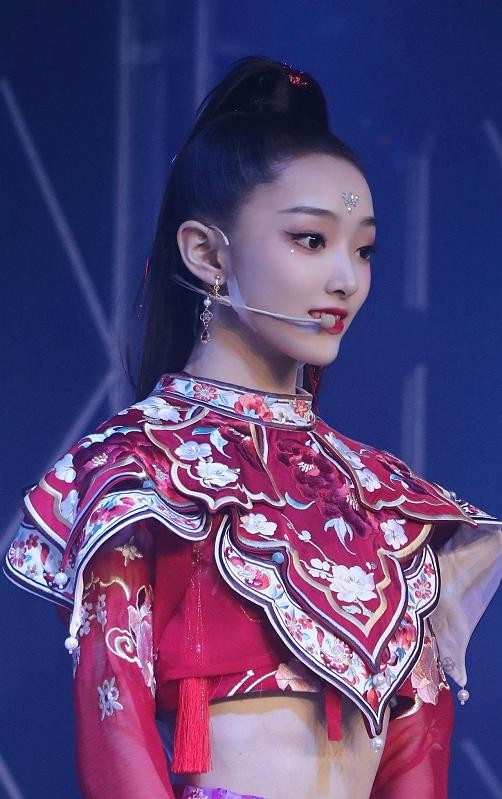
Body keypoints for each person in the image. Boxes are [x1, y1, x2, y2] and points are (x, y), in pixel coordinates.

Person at [5, 56, 502, 799]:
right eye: (311, 240)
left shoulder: (389, 500)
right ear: (207, 254)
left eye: (363, 248)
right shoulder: (141, 471)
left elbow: (415, 757)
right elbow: (117, 739)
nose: (346, 278)